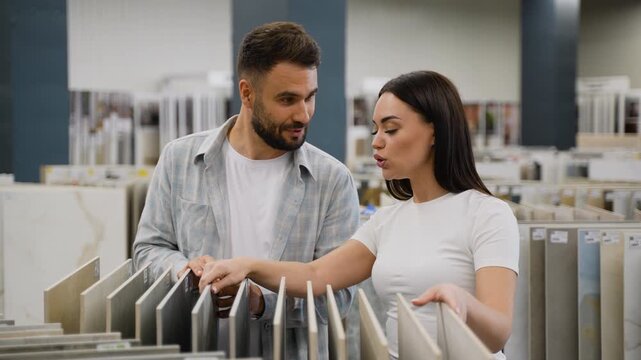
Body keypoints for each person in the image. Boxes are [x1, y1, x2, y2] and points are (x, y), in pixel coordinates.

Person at [199, 71, 519, 359]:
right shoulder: (386, 221)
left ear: (435, 132)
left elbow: (497, 333)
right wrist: (247, 265)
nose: (376, 142)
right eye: (376, 129)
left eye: (391, 129)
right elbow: (316, 276)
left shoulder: (487, 214)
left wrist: (464, 305)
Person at [133, 21, 360, 358]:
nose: (303, 114)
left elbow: (338, 297)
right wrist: (186, 272)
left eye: (310, 97)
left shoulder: (332, 180)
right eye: (287, 99)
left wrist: (259, 301)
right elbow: (148, 250)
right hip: (197, 349)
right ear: (247, 93)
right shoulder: (180, 159)